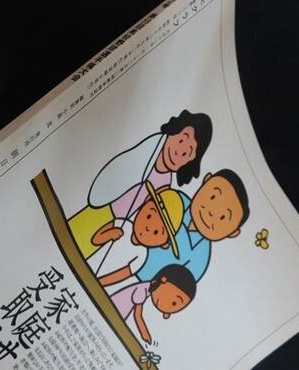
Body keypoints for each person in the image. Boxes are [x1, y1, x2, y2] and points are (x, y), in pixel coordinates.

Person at [69, 110, 213, 259]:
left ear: (189, 162)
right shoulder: (147, 150)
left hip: (117, 223)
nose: (178, 152)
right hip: (103, 207)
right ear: (173, 132)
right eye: (181, 140)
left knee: (81, 253)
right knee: (71, 234)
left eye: (186, 153)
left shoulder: (165, 185)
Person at [97, 169, 250, 287]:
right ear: (206, 180)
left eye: (223, 217)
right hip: (120, 246)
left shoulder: (202, 257)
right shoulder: (174, 201)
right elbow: (139, 215)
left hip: (143, 286)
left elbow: (180, 286)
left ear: (233, 232)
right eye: (212, 197)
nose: (211, 212)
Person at [86, 182, 185, 283]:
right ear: (146, 201)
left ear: (165, 244)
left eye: (156, 232)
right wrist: (110, 233)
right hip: (87, 265)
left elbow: (121, 275)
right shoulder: (122, 223)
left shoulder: (141, 256)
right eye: (149, 216)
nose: (148, 228)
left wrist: (99, 282)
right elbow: (96, 239)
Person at [110, 265, 196, 344]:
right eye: (174, 303)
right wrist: (145, 334)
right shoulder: (142, 289)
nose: (168, 311)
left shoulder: (147, 290)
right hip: (113, 309)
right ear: (163, 280)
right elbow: (137, 315)